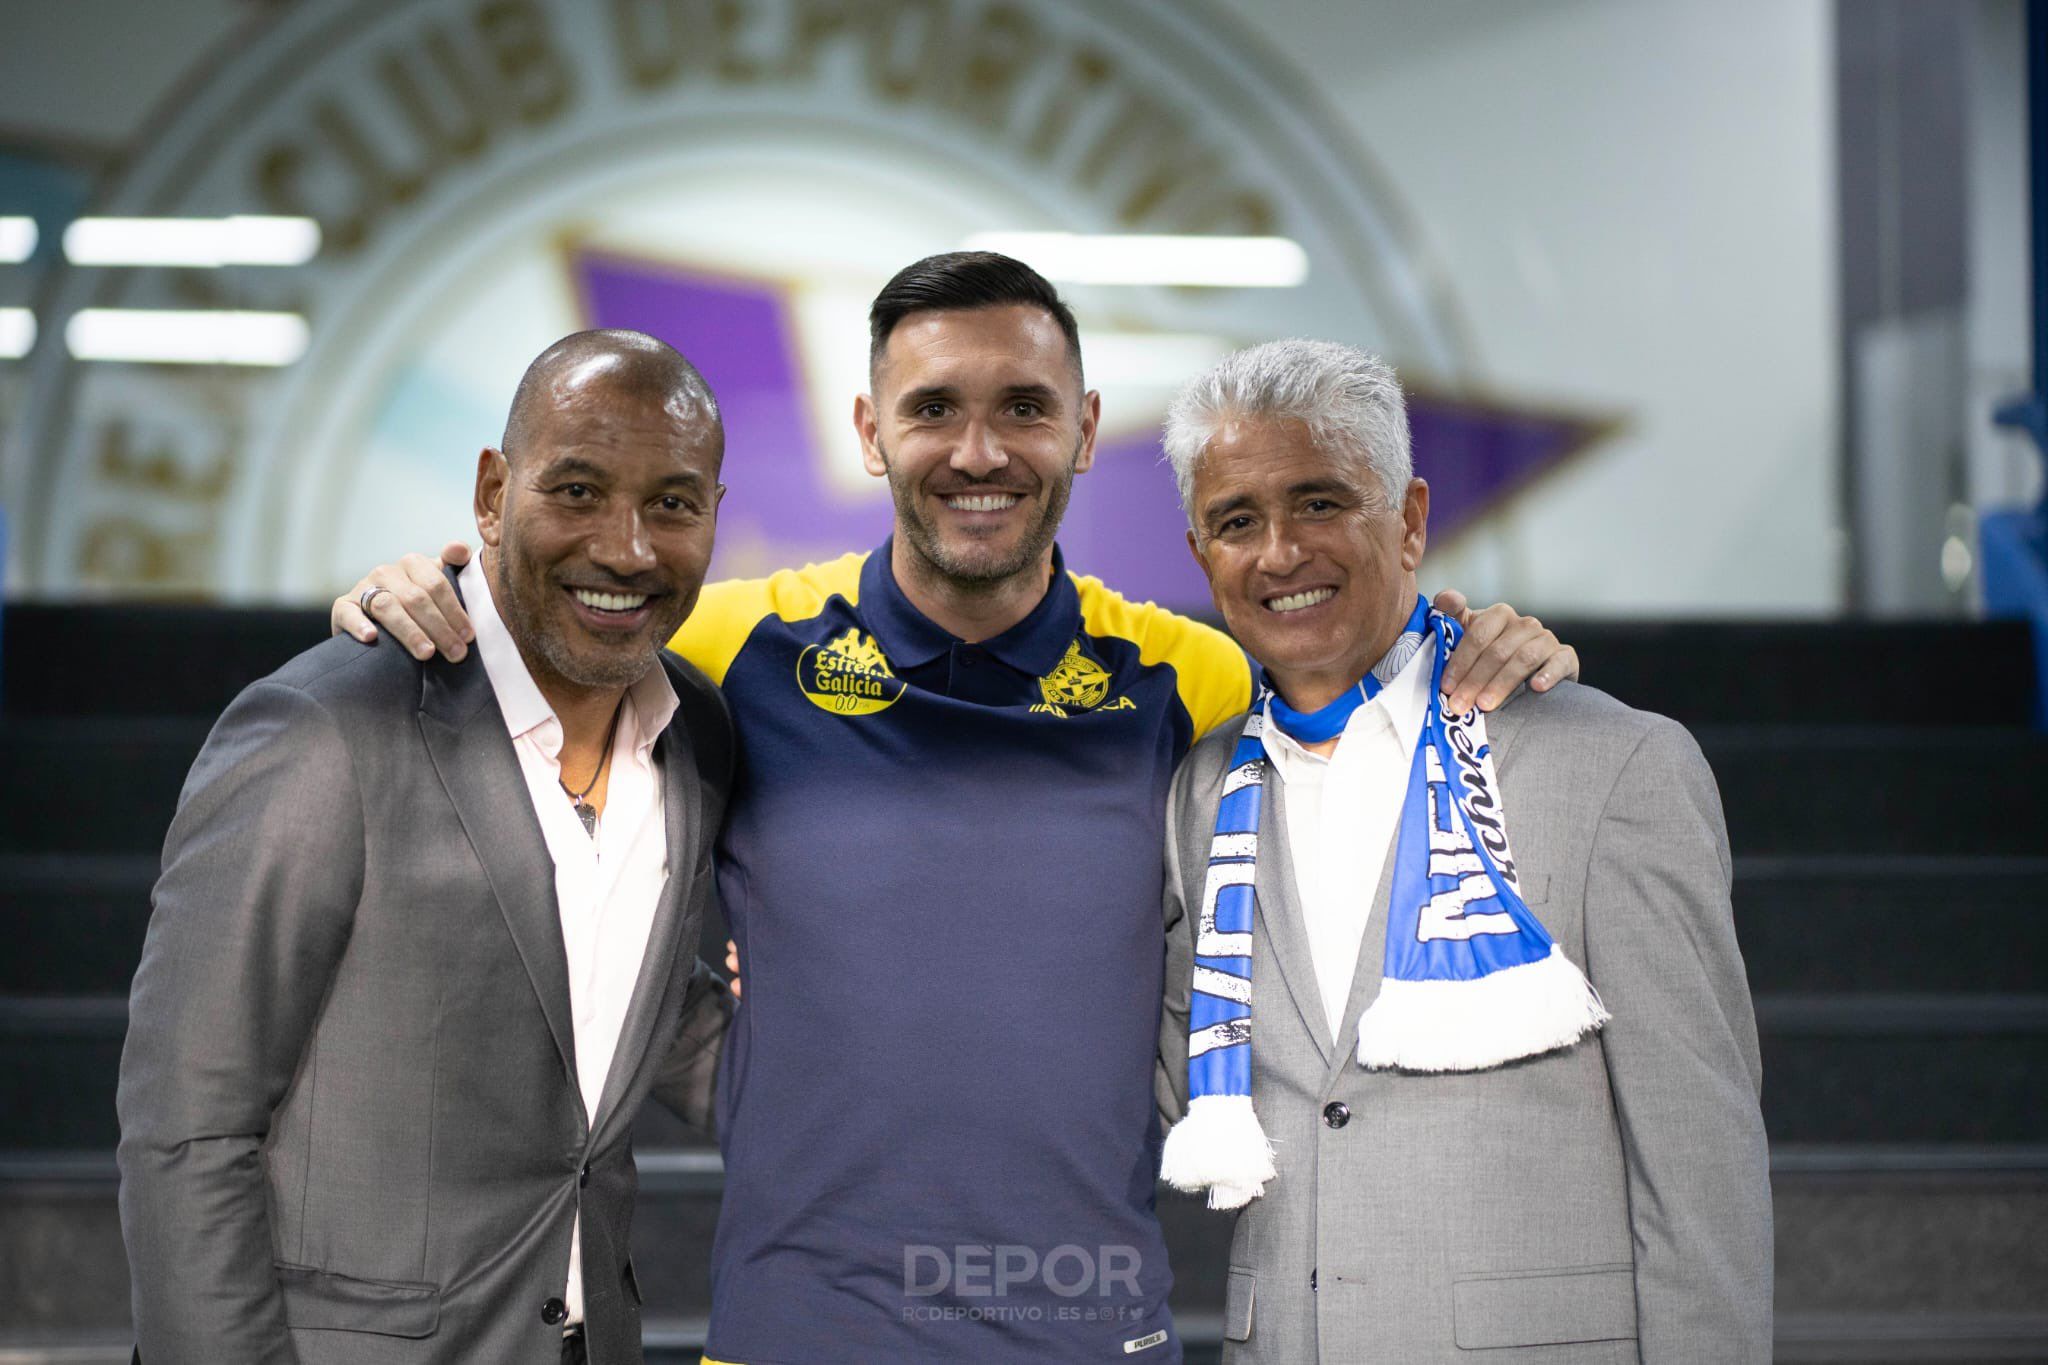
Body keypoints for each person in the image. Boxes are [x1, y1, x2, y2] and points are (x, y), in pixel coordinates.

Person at [330, 254, 1580, 1363]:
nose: (978, 452)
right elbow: (545, 648)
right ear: (871, 431)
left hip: (1092, 1326)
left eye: (1023, 409)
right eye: (932, 410)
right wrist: (424, 588)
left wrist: (1485, 638)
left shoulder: (1188, 678)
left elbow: (1359, 673)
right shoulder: (728, 646)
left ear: (1085, 430)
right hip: (793, 1333)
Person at [118, 330, 737, 1365]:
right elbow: (187, 1128)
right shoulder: (325, 727)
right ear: (492, 494)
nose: (626, 548)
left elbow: (629, 1000)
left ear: (714, 515)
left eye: (670, 503)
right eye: (577, 490)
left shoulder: (698, 736)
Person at [1155, 339, 1771, 1363]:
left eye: (1318, 503)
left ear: (1407, 521)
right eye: (1236, 522)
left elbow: (1700, 1164)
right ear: (1199, 556)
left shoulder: (1613, 766)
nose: (1277, 553)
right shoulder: (1200, 790)